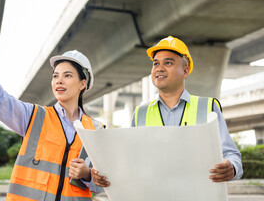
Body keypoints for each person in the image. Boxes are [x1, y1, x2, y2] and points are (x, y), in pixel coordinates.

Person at [0, 20, 103, 200]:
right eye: (55, 76)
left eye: (67, 75)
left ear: (83, 84)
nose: (59, 81)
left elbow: (103, 185)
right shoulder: (33, 116)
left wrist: (87, 175)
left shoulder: (96, 130)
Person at [92, 35, 243, 187]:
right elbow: (131, 161)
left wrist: (232, 168)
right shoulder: (140, 114)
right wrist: (104, 174)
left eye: (168, 63)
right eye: (155, 63)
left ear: (185, 70)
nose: (159, 68)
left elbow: (231, 155)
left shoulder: (208, 108)